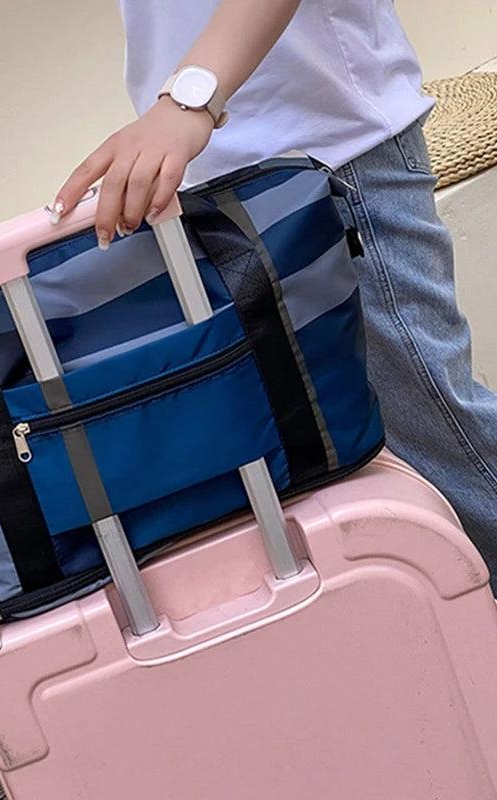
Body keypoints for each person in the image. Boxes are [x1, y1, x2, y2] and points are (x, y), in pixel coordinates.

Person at [52, 0, 497, 592]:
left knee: (439, 438)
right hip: (223, 187)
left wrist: (188, 99)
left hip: (328, 155)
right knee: (370, 461)